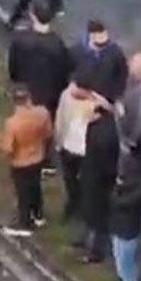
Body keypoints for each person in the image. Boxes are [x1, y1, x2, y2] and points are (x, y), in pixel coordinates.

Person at [0, 87, 51, 236]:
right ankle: (38, 215)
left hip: (20, 162)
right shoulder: (43, 113)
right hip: (38, 156)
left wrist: (4, 151)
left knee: (23, 193)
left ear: (14, 102)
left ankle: (25, 223)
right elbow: (48, 133)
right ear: (29, 98)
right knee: (35, 187)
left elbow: (9, 148)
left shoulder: (12, 123)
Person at [77, 89, 121, 263]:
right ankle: (89, 239)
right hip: (95, 176)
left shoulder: (103, 133)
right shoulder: (103, 127)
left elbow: (103, 160)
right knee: (93, 212)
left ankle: (96, 250)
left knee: (98, 215)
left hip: (98, 179)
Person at [110, 135, 141, 281]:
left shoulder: (140, 186)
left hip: (128, 227)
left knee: (125, 261)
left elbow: (125, 200)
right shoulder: (136, 165)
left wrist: (117, 193)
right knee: (120, 258)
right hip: (121, 224)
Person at [53, 81, 95, 223]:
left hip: (85, 149)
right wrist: (59, 140)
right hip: (69, 145)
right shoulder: (67, 95)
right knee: (69, 178)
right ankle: (73, 203)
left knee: (84, 179)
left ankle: (81, 206)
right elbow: (60, 117)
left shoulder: (96, 100)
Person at [72, 20, 128, 103]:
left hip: (107, 100)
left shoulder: (116, 52)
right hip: (81, 98)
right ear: (91, 36)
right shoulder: (77, 51)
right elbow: (70, 72)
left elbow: (122, 76)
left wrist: (115, 96)